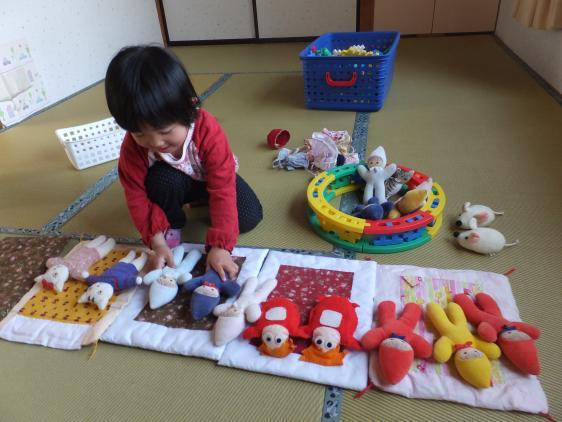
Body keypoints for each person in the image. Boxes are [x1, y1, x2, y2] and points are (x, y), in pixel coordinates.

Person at [105, 45, 262, 280]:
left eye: (164, 131)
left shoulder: (207, 130)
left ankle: (202, 201)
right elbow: (135, 194)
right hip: (175, 183)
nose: (155, 142)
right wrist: (157, 243)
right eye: (140, 134)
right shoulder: (133, 146)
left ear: (190, 106)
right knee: (162, 180)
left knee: (249, 216)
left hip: (212, 179)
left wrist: (220, 246)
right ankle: (173, 222)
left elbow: (222, 187)